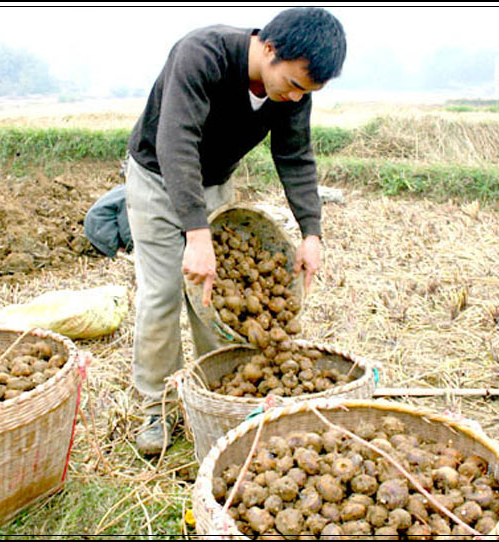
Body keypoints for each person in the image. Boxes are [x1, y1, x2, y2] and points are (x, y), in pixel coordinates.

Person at [124, 7, 347, 455]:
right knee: (164, 293)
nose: (297, 97)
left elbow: (295, 156)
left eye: (309, 91)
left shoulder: (291, 94)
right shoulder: (200, 54)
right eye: (296, 84)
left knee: (216, 302)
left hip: (212, 184)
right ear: (269, 49)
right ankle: (155, 405)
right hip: (155, 177)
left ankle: (220, 393)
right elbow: (177, 142)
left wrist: (311, 232)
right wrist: (196, 233)